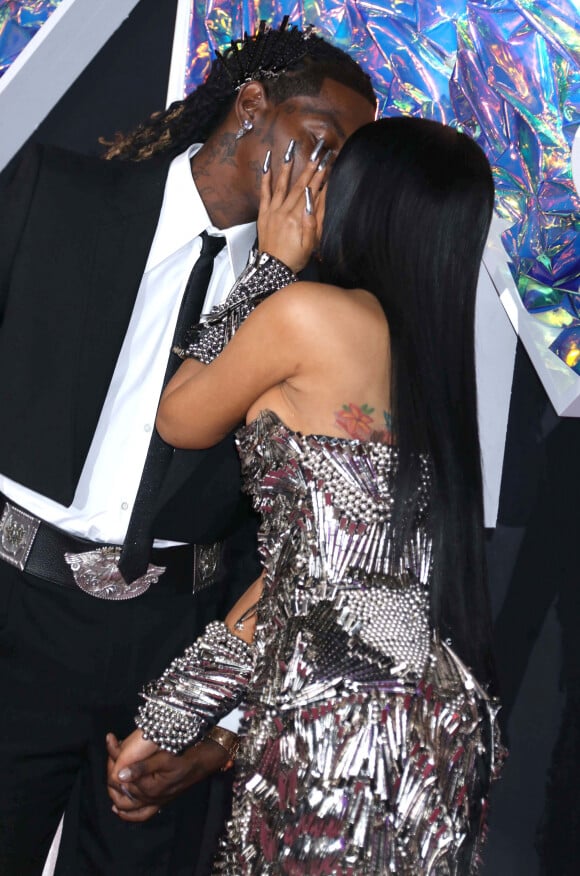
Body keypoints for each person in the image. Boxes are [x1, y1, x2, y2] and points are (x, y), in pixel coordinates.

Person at [0, 19, 376, 876]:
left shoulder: (312, 307)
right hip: (16, 611)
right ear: (250, 106)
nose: (326, 180)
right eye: (320, 144)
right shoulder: (57, 196)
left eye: (345, 166)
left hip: (171, 645)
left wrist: (223, 720)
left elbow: (287, 525)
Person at [109, 116, 506, 873]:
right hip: (432, 731)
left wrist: (270, 266)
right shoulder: (434, 370)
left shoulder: (309, 316)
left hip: (335, 732)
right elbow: (315, 577)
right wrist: (167, 719)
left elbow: (179, 414)